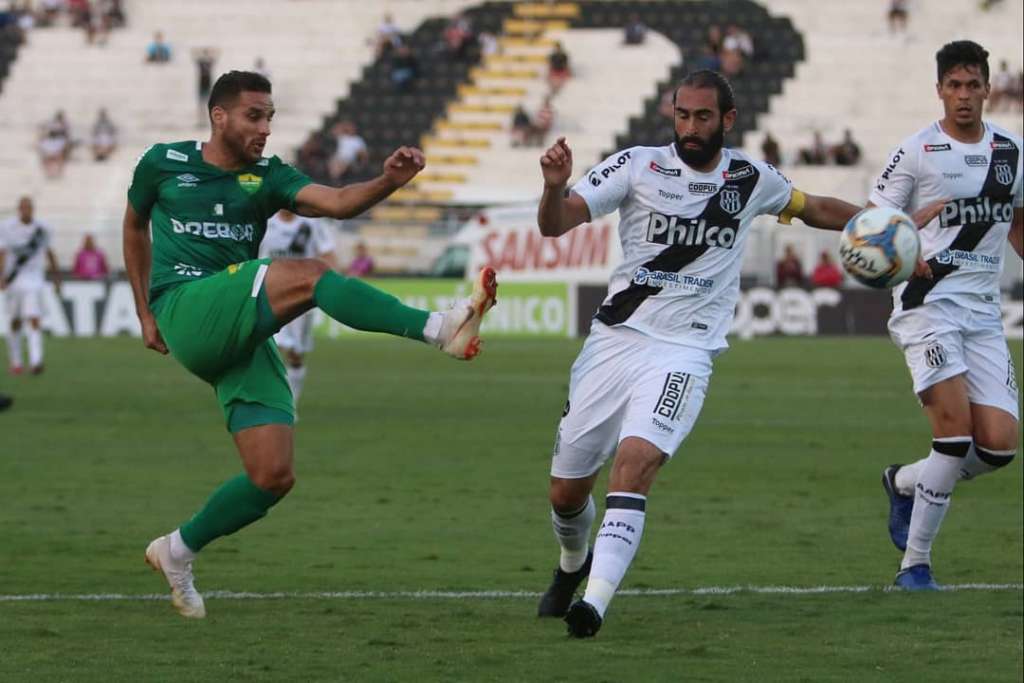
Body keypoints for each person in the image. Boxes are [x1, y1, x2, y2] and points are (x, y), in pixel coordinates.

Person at [125, 71, 497, 619]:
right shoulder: (163, 162)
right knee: (310, 275)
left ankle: (177, 550)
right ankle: (437, 328)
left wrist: (387, 181)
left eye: (271, 116)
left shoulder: (268, 175)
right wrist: (143, 309)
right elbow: (134, 226)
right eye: (255, 115)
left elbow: (339, 201)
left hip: (236, 326)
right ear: (219, 116)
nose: (266, 127)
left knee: (272, 476)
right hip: (185, 304)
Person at [534, 70, 884, 638]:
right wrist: (553, 186)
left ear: (727, 119)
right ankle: (573, 565)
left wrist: (879, 225)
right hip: (614, 342)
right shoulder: (637, 165)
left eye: (702, 117)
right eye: (682, 115)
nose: (690, 128)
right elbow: (556, 225)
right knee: (566, 491)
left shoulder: (749, 178)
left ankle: (593, 604)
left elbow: (814, 206)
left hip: (686, 350)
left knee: (635, 464)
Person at [872, 40, 1022, 591]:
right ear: (940, 90)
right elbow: (872, 227)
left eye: (972, 85)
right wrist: (909, 232)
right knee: (954, 437)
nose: (963, 95)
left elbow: (1019, 222)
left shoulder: (1012, 152)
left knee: (999, 445)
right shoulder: (915, 151)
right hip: (927, 304)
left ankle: (904, 481)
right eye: (953, 86)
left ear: (988, 88)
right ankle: (914, 566)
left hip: (983, 313)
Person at [258, 210, 337, 409]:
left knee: (296, 356)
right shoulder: (265, 221)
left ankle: (291, 404)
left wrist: (332, 282)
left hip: (303, 296)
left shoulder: (312, 223)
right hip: (271, 292)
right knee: (275, 342)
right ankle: (270, 398)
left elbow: (327, 252)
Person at [0, 197, 62, 375]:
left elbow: (50, 253)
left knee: (34, 319)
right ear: (19, 209)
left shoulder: (42, 229)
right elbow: (2, 253)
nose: (26, 210)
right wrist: (2, 277)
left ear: (32, 209)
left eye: (29, 207)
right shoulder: (6, 227)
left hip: (34, 280)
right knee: (15, 322)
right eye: (23, 207)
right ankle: (16, 361)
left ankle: (36, 361)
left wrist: (57, 277)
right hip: (13, 281)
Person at [327, 119, 369, 184]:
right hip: (338, 157)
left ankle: (336, 182)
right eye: (348, 128)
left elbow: (363, 153)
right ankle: (335, 181)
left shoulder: (358, 139)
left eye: (352, 128)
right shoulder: (342, 137)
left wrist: (362, 163)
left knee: (340, 165)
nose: (350, 129)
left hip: (349, 160)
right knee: (333, 162)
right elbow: (333, 131)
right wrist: (343, 125)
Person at [193, 47, 219, 126]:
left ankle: (208, 119)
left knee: (208, 103)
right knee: (201, 103)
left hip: (207, 84)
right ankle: (201, 120)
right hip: (202, 84)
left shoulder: (209, 62)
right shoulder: (201, 62)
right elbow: (193, 54)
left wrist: (211, 52)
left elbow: (217, 54)